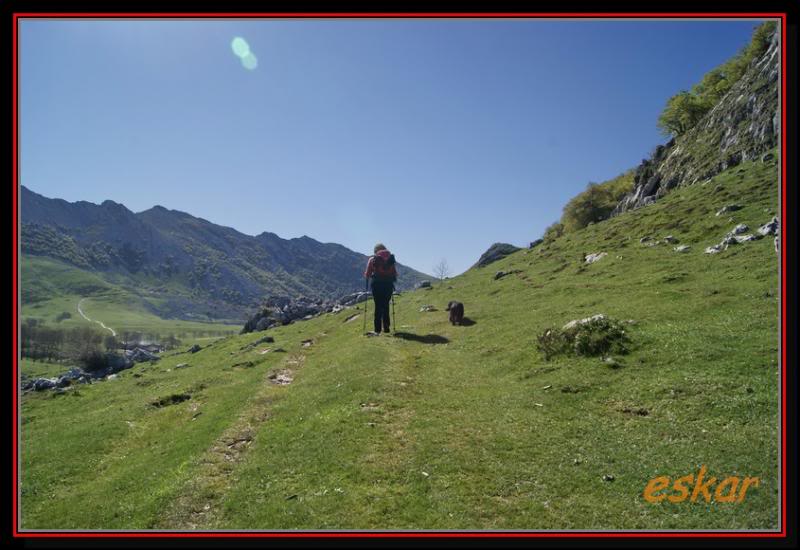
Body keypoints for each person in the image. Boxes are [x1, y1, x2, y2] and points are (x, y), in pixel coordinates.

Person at [364, 243, 397, 334]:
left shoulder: (372, 259)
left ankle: (377, 329)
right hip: (388, 285)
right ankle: (386, 328)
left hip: (377, 285)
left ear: (375, 251)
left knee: (378, 306)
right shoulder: (390, 258)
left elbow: (367, 274)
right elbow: (395, 273)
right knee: (386, 305)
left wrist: (370, 276)